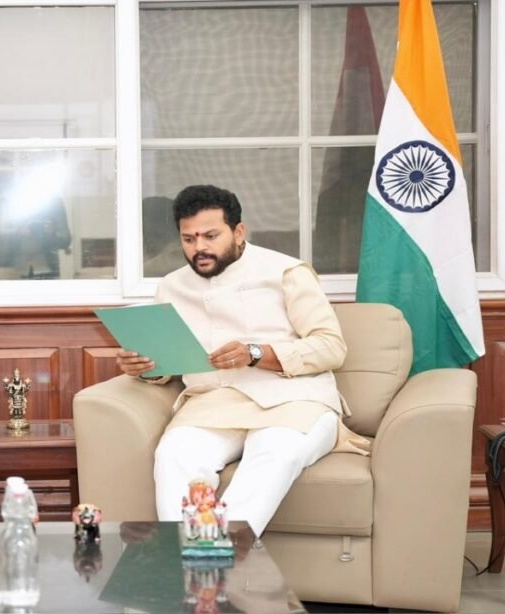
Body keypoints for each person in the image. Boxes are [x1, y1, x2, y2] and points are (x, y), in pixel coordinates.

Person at [116, 184, 367, 538]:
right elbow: (169, 360)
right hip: (212, 406)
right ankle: (193, 559)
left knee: (273, 451)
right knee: (174, 455)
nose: (199, 247)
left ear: (238, 232)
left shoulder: (286, 272)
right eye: (188, 239)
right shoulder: (171, 287)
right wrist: (145, 369)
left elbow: (331, 347)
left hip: (295, 402)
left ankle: (211, 557)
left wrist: (257, 353)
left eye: (210, 236)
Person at [0, 195, 71, 279]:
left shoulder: (53, 200)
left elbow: (65, 239)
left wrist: (51, 233)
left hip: (47, 269)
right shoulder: (6, 198)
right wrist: (17, 232)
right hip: (11, 267)